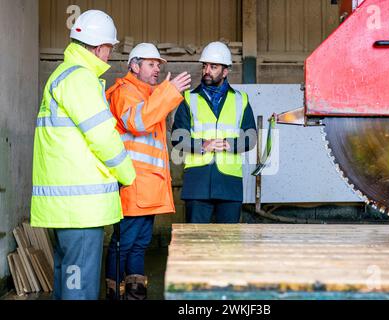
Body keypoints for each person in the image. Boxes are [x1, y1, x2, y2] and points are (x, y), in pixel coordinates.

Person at [30, 10, 136, 300]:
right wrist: (127, 174)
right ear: (100, 47)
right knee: (80, 290)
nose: (109, 55)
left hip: (65, 208)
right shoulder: (81, 80)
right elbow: (103, 136)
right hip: (81, 210)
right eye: (109, 49)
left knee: (67, 283)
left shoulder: (61, 76)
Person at [105, 43, 191, 300]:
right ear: (134, 65)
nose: (157, 69)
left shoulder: (149, 94)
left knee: (139, 245)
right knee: (124, 245)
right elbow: (138, 122)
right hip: (132, 185)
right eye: (152, 64)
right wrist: (169, 91)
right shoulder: (124, 92)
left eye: (158, 65)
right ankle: (116, 295)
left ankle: (135, 295)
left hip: (148, 187)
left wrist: (164, 92)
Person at [171, 41, 257, 224]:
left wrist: (229, 144)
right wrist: (203, 145)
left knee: (229, 244)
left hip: (229, 184)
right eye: (205, 66)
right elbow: (177, 137)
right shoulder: (188, 99)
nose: (207, 71)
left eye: (213, 67)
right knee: (195, 243)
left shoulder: (241, 100)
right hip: (197, 184)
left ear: (225, 71)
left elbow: (251, 137)